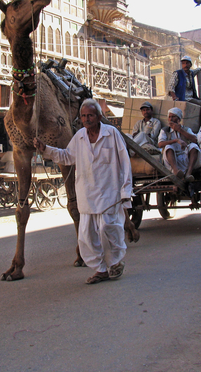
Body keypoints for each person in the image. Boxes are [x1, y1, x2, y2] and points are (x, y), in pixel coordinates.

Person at [33, 99, 131, 285]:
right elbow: (66, 157)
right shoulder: (79, 137)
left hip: (109, 193)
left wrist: (126, 189)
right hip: (87, 195)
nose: (87, 119)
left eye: (90, 115)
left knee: (108, 229)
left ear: (99, 117)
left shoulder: (112, 134)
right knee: (87, 236)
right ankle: (101, 270)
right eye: (84, 116)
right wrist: (45, 149)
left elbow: (124, 161)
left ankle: (115, 262)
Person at [167, 55, 201, 133]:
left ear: (190, 65)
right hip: (184, 98)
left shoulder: (191, 73)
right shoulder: (177, 73)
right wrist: (174, 97)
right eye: (183, 63)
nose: (185, 65)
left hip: (192, 98)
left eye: (187, 63)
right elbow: (171, 86)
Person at [158, 107, 201, 181]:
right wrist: (176, 140)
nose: (171, 119)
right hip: (172, 159)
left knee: (194, 146)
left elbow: (195, 140)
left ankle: (189, 173)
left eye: (173, 117)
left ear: (178, 119)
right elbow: (160, 144)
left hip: (185, 157)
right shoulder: (165, 130)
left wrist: (179, 130)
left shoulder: (186, 129)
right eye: (169, 117)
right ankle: (176, 171)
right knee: (168, 147)